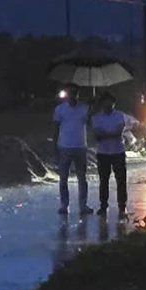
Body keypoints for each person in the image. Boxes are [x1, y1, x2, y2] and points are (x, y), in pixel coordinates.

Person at [51, 88, 93, 216]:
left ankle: (83, 205)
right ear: (67, 95)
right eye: (71, 94)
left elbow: (90, 124)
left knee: (82, 178)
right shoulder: (60, 109)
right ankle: (64, 205)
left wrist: (92, 109)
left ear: (78, 95)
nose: (73, 96)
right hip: (65, 146)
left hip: (80, 146)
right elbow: (56, 127)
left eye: (75, 94)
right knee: (63, 178)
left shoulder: (84, 108)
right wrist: (54, 144)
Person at [89, 92, 130, 216]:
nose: (108, 105)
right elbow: (97, 135)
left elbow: (118, 132)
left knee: (121, 181)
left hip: (118, 151)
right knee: (103, 181)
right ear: (102, 103)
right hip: (103, 152)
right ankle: (103, 206)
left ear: (114, 103)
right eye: (105, 102)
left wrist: (105, 134)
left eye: (110, 102)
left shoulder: (120, 115)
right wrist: (110, 134)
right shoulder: (96, 118)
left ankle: (122, 206)